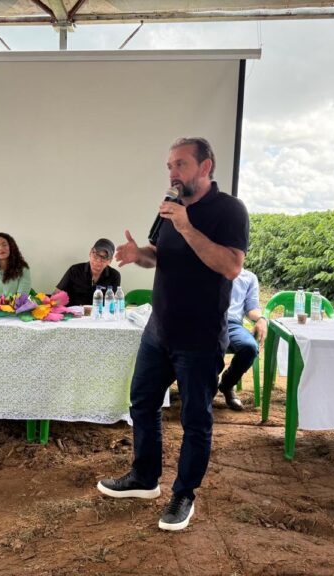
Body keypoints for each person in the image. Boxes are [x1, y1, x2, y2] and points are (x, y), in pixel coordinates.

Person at [97, 137, 249, 532]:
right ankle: (145, 478)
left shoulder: (229, 210)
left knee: (195, 418)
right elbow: (158, 253)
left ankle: (184, 495)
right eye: (169, 166)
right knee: (142, 404)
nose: (172, 173)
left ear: (205, 166)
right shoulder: (169, 205)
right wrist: (138, 255)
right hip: (158, 330)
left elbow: (231, 266)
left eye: (180, 165)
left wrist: (186, 225)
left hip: (199, 337)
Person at [218, 268, 267, 411]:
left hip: (232, 324)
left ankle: (227, 384)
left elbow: (252, 308)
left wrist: (261, 318)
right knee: (206, 345)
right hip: (208, 321)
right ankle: (206, 388)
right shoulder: (210, 268)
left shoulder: (249, 277)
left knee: (250, 347)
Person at [56, 238, 121, 305]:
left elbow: (113, 303)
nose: (98, 260)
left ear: (110, 261)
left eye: (104, 257)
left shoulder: (114, 276)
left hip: (100, 314)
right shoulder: (74, 270)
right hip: (73, 313)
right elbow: (56, 295)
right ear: (90, 253)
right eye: (96, 254)